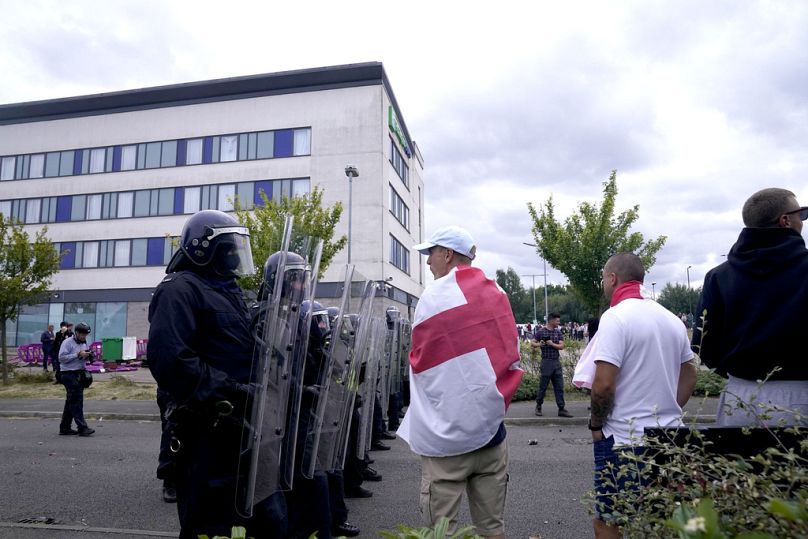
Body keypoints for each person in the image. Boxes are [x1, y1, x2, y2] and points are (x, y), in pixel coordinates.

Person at [147, 209, 286, 539]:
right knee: (209, 526)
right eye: (229, 249)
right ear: (203, 248)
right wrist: (234, 390)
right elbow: (172, 361)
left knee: (267, 520)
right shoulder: (179, 289)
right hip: (206, 433)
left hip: (244, 429)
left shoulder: (229, 290)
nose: (237, 257)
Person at [398, 226, 523, 538]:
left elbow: (420, 363)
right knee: (492, 528)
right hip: (492, 433)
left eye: (431, 254)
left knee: (443, 531)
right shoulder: (498, 294)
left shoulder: (433, 298)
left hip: (447, 442)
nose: (428, 262)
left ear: (447, 254)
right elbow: (510, 354)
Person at [590, 253, 697, 539]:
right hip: (671, 437)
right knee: (670, 518)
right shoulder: (670, 318)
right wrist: (670, 406)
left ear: (612, 278)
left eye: (603, 277)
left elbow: (603, 385)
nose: (603, 283)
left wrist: (596, 425)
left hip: (625, 438)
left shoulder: (615, 317)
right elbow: (690, 372)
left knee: (609, 519)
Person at [692, 188, 808, 426]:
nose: (803, 221)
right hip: (802, 396)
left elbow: (703, 343)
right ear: (785, 220)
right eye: (802, 214)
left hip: (739, 397)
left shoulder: (718, 276)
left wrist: (737, 373)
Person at [58, 322, 95, 437]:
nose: (84, 337)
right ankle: (82, 427)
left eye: (86, 335)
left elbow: (84, 357)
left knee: (71, 401)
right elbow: (61, 358)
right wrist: (77, 354)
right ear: (77, 332)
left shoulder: (85, 342)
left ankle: (64, 428)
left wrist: (89, 355)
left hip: (79, 373)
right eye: (82, 334)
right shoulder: (67, 342)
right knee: (77, 400)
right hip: (68, 374)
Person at [531, 313, 572, 417]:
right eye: (557, 321)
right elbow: (532, 343)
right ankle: (538, 405)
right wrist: (540, 344)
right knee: (543, 386)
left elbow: (562, 346)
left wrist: (552, 344)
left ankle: (561, 408)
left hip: (556, 362)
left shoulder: (558, 332)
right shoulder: (541, 331)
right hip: (546, 362)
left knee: (559, 386)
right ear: (551, 321)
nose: (559, 323)